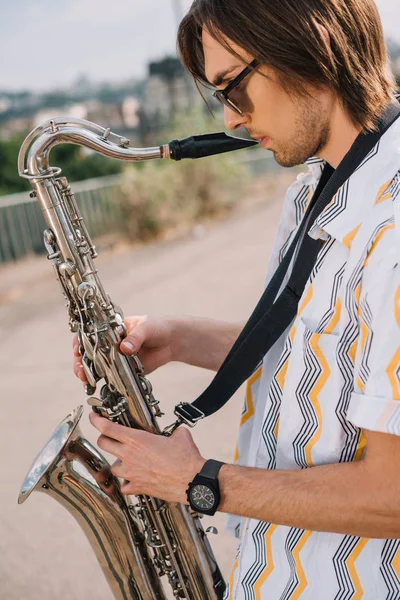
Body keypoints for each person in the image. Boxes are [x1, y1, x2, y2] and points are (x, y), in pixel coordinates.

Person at [73, 0, 400, 597]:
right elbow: (317, 351)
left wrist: (201, 482)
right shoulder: (315, 192)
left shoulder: (395, 223)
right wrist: (175, 338)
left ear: (314, 45)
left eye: (232, 86)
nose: (230, 120)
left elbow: (394, 493)